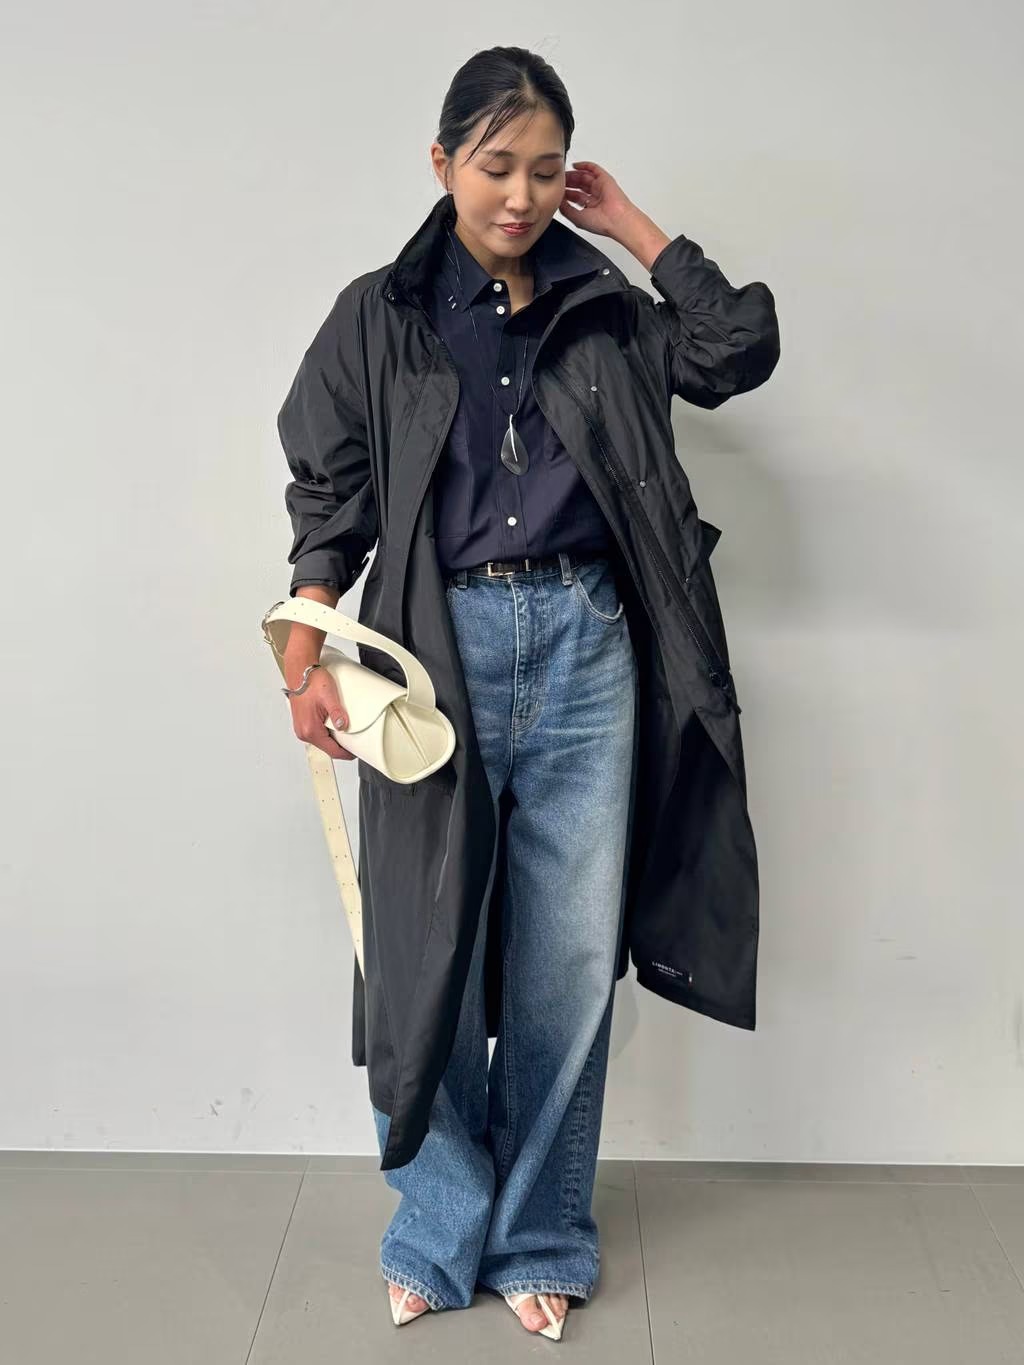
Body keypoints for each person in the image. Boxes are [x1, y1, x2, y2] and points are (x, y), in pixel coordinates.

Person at [277, 45, 779, 1341]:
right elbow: (329, 494)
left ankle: (542, 1230)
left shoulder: (604, 302)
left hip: (589, 641)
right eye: (497, 166)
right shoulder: (379, 315)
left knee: (567, 955)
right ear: (441, 161)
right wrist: (305, 649)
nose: (522, 195)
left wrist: (634, 228)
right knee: (427, 949)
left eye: (548, 171)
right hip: (433, 654)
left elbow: (732, 349)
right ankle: (438, 1224)